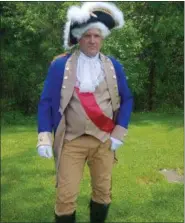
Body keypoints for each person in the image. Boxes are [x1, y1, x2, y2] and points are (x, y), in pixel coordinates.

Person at [36, 2, 133, 223]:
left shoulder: (114, 66)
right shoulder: (61, 66)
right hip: (71, 142)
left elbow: (127, 99)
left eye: (96, 35)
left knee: (103, 192)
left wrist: (120, 130)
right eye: (87, 35)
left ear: (103, 38)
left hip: (104, 141)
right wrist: (43, 136)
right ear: (79, 38)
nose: (92, 40)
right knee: (65, 196)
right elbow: (46, 102)